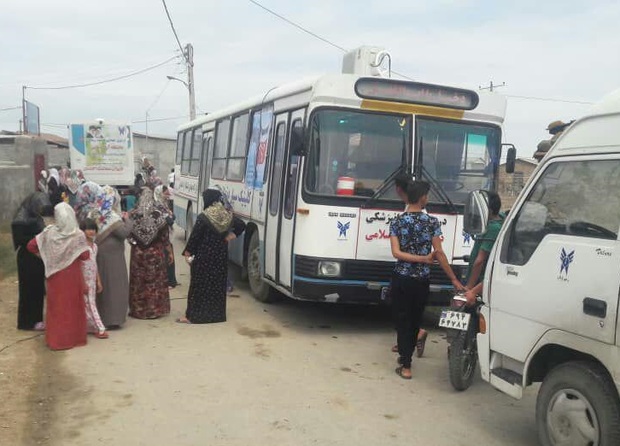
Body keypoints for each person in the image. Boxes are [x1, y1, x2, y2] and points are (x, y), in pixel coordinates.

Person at [389, 181, 464, 379]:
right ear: (422, 197)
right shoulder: (432, 223)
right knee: (415, 319)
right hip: (421, 280)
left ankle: (406, 363)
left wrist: (418, 258)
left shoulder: (397, 222)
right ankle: (406, 359)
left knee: (402, 318)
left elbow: (396, 253)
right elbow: (439, 253)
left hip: (401, 279)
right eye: (427, 195)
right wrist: (454, 279)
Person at [177, 189, 246, 324]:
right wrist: (230, 236)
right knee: (217, 286)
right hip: (220, 257)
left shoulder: (204, 217)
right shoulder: (226, 214)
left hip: (204, 257)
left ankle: (193, 316)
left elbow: (195, 236)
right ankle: (216, 316)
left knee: (198, 287)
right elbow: (241, 225)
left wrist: (188, 252)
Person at [27, 203, 90, 350]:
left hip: (55, 276)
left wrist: (47, 257)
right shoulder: (78, 235)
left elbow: (31, 246)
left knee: (57, 308)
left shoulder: (48, 233)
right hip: (73, 276)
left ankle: (57, 341)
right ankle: (75, 338)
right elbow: (85, 255)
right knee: (73, 307)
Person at [391, 173, 428, 357]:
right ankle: (406, 345)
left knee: (404, 314)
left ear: (399, 190)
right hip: (421, 276)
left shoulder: (404, 218)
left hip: (404, 274)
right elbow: (437, 252)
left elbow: (396, 252)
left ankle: (410, 346)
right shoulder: (427, 219)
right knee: (410, 313)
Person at [11, 192, 54, 330]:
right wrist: (38, 238)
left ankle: (37, 319)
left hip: (38, 257)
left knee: (38, 288)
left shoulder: (36, 217)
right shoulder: (20, 219)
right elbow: (20, 239)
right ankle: (26, 322)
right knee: (28, 289)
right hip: (27, 258)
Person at [127, 188, 171, 319]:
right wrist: (168, 251)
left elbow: (128, 235)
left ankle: (139, 310)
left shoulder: (133, 215)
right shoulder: (158, 215)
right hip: (156, 254)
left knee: (139, 283)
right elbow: (165, 236)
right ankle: (156, 310)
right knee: (155, 282)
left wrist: (136, 245)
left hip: (138, 255)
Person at [95, 186, 132, 328]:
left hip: (98, 255)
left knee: (101, 287)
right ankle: (113, 320)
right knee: (115, 287)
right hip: (113, 258)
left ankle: (100, 318)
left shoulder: (93, 213)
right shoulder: (111, 216)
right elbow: (124, 233)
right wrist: (128, 220)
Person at [463, 191, 504, 305]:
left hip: (481, 283)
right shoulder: (495, 221)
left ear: (489, 211)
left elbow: (480, 260)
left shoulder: (493, 228)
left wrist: (470, 287)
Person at [79, 218, 108, 339]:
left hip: (92, 280)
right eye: (88, 229)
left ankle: (88, 327)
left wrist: (98, 280)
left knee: (90, 303)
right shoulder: (80, 246)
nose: (91, 232)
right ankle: (100, 327)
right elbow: (79, 265)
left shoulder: (95, 246)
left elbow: (94, 264)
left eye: (93, 229)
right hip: (83, 279)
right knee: (88, 304)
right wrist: (82, 282)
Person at [154, 185, 179, 288]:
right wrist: (170, 216)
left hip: (167, 235)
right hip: (163, 237)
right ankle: (168, 282)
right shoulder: (158, 206)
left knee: (170, 257)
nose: (168, 194)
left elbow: (173, 217)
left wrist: (170, 216)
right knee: (168, 257)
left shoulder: (163, 204)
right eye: (165, 193)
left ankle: (172, 280)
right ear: (160, 193)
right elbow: (170, 220)